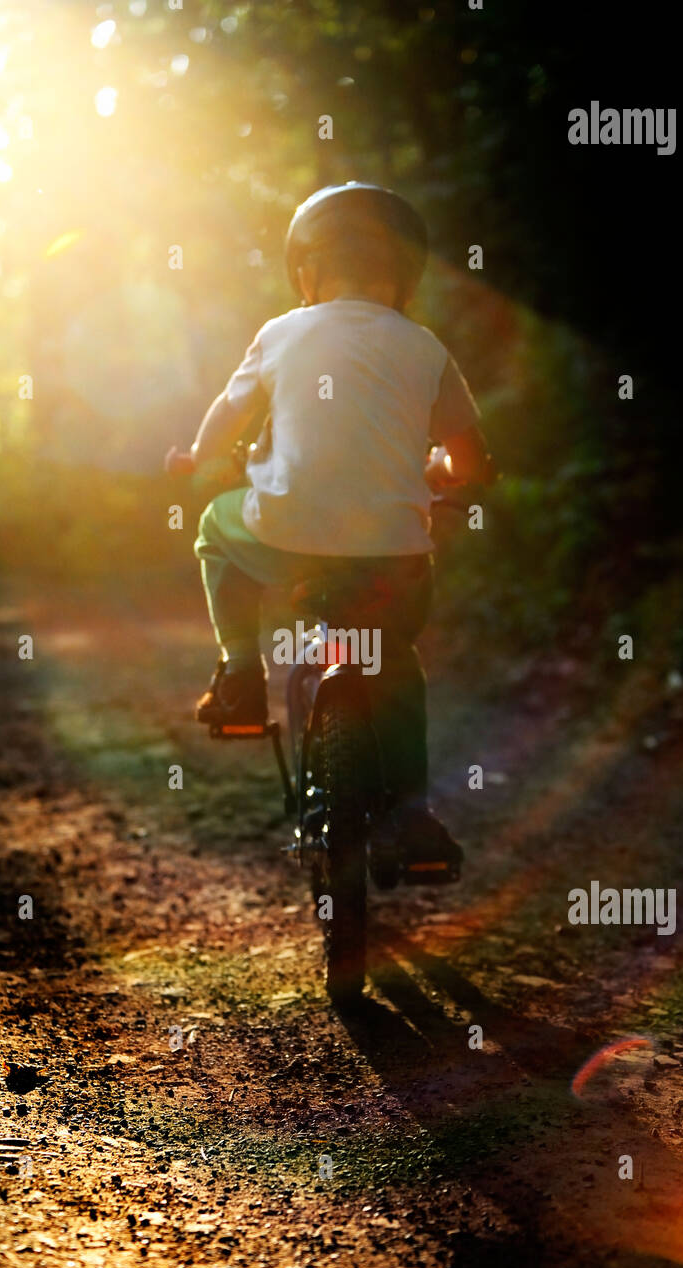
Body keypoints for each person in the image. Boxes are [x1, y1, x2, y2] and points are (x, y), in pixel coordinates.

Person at [165, 183, 494, 865]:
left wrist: (199, 460)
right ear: (401, 277)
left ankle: (240, 674)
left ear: (306, 272)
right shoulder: (424, 347)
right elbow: (471, 460)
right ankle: (410, 819)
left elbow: (227, 418)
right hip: (392, 562)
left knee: (213, 528)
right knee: (395, 664)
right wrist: (443, 474)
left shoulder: (281, 332)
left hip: (285, 539)